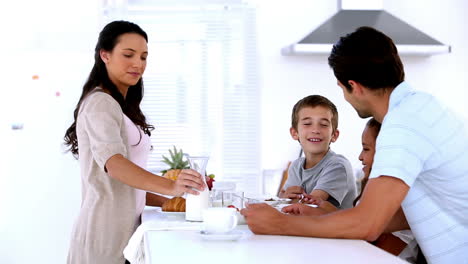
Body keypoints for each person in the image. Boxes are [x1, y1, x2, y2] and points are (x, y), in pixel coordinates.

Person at [241, 26, 468, 263]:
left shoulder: (403, 126)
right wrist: (315, 219)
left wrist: (281, 224)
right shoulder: (421, 108)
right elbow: (398, 218)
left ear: (355, 87)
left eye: (343, 90)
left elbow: (368, 224)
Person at [63, 20, 205, 264]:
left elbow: (124, 186)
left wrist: (167, 201)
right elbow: (115, 165)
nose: (138, 64)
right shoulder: (101, 103)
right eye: (128, 55)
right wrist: (169, 186)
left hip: (124, 233)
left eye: (143, 57)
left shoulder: (120, 107)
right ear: (104, 55)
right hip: (105, 234)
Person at [287, 118, 418, 262]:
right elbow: (359, 227)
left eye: (366, 149)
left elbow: (377, 254)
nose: (360, 157)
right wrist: (326, 211)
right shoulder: (371, 192)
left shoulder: (403, 205)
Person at [279, 95, 357, 209]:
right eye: (307, 124)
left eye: (324, 125)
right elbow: (287, 200)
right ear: (295, 133)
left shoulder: (338, 166)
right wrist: (284, 199)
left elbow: (308, 208)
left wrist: (286, 201)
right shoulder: (296, 166)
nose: (315, 130)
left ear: (334, 135)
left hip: (333, 226)